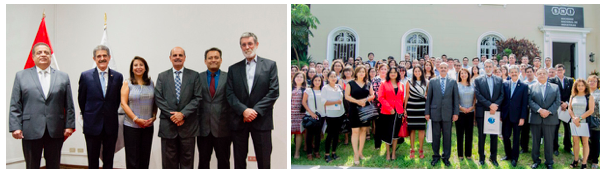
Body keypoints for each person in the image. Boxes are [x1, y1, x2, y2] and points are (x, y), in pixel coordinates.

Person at [9, 42, 75, 169]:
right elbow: (15, 104)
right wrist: (15, 127)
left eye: (46, 52)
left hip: (55, 129)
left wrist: (69, 125)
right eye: (39, 52)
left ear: (51, 56)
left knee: (54, 165)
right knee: (32, 165)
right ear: (33, 57)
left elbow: (69, 104)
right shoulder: (21, 76)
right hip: (30, 128)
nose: (43, 55)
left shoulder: (63, 77)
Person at [226, 32, 279, 169]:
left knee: (264, 161)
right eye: (243, 45)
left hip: (262, 120)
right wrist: (244, 111)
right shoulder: (233, 69)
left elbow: (274, 92)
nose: (247, 47)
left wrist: (255, 111)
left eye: (250, 43)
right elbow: (230, 94)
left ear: (256, 44)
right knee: (239, 161)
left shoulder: (270, 65)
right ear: (241, 47)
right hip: (239, 121)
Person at [154, 47, 202, 169]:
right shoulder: (162, 76)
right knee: (169, 164)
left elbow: (197, 98)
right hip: (168, 128)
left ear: (185, 58)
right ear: (170, 58)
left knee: (187, 163)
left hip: (188, 127)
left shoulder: (194, 76)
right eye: (174, 55)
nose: (177, 57)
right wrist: (173, 116)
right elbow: (158, 98)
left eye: (180, 55)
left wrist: (183, 114)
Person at [79, 45, 124, 169]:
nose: (102, 58)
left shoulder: (118, 77)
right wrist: (90, 115)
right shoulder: (86, 76)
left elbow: (117, 101)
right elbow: (81, 100)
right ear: (94, 58)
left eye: (104, 55)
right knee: (93, 160)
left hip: (111, 124)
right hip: (92, 125)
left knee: (109, 160)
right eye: (99, 56)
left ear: (109, 58)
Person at [196, 48, 233, 169]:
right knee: (203, 162)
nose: (213, 60)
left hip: (223, 129)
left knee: (224, 162)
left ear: (221, 60)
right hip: (203, 129)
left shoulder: (228, 77)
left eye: (216, 57)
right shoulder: (197, 78)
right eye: (210, 58)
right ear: (205, 61)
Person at [121, 56, 157, 169]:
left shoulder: (151, 83)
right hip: (131, 126)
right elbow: (123, 103)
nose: (138, 67)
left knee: (145, 157)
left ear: (145, 68)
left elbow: (155, 102)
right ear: (132, 68)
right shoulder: (127, 83)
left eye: (141, 65)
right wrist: (136, 119)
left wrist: (154, 117)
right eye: (135, 65)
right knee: (133, 159)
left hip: (147, 126)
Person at [425, 62, 460, 167]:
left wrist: (456, 113)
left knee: (447, 136)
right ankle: (436, 156)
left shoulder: (453, 82)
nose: (443, 69)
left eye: (445, 68)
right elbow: (429, 98)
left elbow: (455, 99)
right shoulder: (432, 81)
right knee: (435, 136)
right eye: (441, 68)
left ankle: (446, 157)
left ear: (448, 69)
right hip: (435, 113)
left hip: (448, 113)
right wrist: (427, 112)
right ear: (438, 69)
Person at [528, 68, 560, 169]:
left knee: (549, 141)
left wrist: (548, 111)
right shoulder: (531, 87)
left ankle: (549, 161)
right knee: (535, 141)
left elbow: (557, 101)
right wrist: (540, 110)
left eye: (544, 73)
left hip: (550, 118)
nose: (542, 75)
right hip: (536, 118)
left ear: (547, 75)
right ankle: (536, 160)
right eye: (539, 73)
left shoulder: (555, 87)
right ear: (536, 75)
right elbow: (530, 101)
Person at [473, 59, 503, 166]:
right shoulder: (478, 80)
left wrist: (494, 106)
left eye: (490, 66)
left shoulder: (499, 80)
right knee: (482, 136)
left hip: (494, 112)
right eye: (486, 66)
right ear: (484, 68)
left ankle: (493, 157)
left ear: (494, 67)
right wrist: (490, 105)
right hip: (483, 111)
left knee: (494, 136)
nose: (488, 68)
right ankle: (481, 157)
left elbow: (502, 95)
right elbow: (478, 95)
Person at [345, 66, 375, 165]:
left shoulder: (368, 83)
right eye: (360, 72)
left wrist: (365, 100)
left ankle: (360, 152)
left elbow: (372, 95)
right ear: (356, 73)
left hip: (365, 109)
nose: (362, 73)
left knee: (363, 131)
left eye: (363, 72)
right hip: (354, 109)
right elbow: (346, 96)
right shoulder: (351, 83)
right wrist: (357, 102)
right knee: (355, 131)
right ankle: (355, 154)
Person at [500, 65, 528, 167]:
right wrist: (501, 114)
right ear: (509, 73)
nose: (513, 73)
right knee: (506, 136)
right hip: (506, 115)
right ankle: (508, 154)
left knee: (516, 138)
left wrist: (522, 117)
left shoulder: (524, 86)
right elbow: (503, 100)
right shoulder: (505, 84)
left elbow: (525, 104)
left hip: (517, 117)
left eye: (515, 72)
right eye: (511, 72)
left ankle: (515, 158)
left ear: (518, 72)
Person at [377, 67, 407, 161]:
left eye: (395, 72)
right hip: (387, 112)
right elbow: (380, 98)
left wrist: (402, 110)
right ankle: (387, 153)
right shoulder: (383, 83)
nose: (393, 74)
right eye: (391, 72)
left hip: (398, 112)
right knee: (387, 133)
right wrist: (389, 108)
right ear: (388, 74)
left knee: (395, 134)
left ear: (397, 74)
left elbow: (402, 98)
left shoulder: (401, 84)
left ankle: (393, 152)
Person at [567, 79, 595, 169]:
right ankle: (575, 160)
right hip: (574, 122)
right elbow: (569, 109)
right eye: (578, 85)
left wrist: (580, 118)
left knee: (585, 142)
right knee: (575, 142)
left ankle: (584, 163)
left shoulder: (589, 97)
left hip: (584, 122)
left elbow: (591, 110)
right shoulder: (573, 96)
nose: (580, 87)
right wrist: (574, 118)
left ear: (585, 86)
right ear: (576, 86)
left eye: (582, 85)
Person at [549, 64, 575, 156]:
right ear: (555, 71)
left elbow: (573, 93)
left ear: (564, 70)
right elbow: (552, 93)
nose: (559, 71)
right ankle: (555, 147)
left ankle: (568, 147)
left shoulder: (570, 80)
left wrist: (567, 103)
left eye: (560, 70)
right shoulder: (552, 80)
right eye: (557, 70)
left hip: (567, 107)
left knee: (567, 128)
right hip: (557, 107)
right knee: (555, 128)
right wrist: (561, 103)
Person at [321, 71, 345, 163]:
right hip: (330, 115)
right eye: (331, 76)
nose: (333, 78)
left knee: (336, 134)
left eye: (335, 76)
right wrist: (335, 102)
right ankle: (327, 154)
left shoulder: (338, 87)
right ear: (328, 78)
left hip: (339, 113)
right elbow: (324, 102)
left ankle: (334, 153)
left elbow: (341, 100)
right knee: (330, 134)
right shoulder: (325, 88)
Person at [406, 66, 428, 159]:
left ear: (422, 72)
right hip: (411, 107)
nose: (417, 72)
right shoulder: (409, 82)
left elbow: (427, 95)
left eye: (419, 71)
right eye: (415, 71)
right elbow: (407, 96)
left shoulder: (427, 82)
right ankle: (412, 149)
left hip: (421, 107)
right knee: (412, 129)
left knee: (421, 129)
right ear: (413, 72)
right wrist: (404, 109)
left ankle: (421, 149)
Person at [302, 75, 324, 160]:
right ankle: (309, 153)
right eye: (316, 80)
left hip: (321, 115)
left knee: (318, 135)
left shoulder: (323, 90)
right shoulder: (308, 90)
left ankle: (317, 151)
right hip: (310, 115)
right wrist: (311, 113)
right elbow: (304, 102)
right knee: (309, 135)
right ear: (312, 81)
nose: (317, 82)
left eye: (319, 80)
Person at [456, 68, 475, 161]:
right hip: (460, 112)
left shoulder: (473, 85)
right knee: (460, 134)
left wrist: (472, 107)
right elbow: (454, 99)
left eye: (465, 73)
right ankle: (460, 154)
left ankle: (468, 154)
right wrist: (461, 107)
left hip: (470, 112)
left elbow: (475, 98)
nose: (463, 75)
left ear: (468, 74)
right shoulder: (457, 85)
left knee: (469, 134)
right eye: (461, 73)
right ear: (459, 75)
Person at [371, 63, 389, 150]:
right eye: (382, 69)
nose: (383, 71)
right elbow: (375, 92)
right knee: (378, 126)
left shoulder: (389, 80)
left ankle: (387, 143)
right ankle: (377, 144)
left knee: (386, 125)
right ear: (378, 70)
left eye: (385, 69)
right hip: (378, 105)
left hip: (388, 106)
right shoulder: (376, 80)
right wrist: (382, 100)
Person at [521, 67, 538, 153]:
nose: (529, 73)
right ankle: (524, 147)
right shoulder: (524, 83)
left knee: (535, 129)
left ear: (534, 72)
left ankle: (536, 148)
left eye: (530, 72)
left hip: (535, 109)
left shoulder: (537, 82)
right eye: (527, 72)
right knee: (525, 129)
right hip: (526, 108)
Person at [291, 72, 306, 159]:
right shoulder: (290, 88)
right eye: (297, 76)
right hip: (290, 113)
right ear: (294, 78)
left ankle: (297, 152)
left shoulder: (305, 90)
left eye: (301, 77)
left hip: (300, 113)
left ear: (304, 79)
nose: (299, 78)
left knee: (299, 133)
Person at [587, 75, 600, 169]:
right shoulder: (585, 93)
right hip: (585, 120)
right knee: (586, 140)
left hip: (596, 120)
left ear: (597, 83)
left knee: (595, 140)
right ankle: (589, 156)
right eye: (590, 81)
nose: (592, 83)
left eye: (594, 81)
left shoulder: (600, 94)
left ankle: (595, 160)